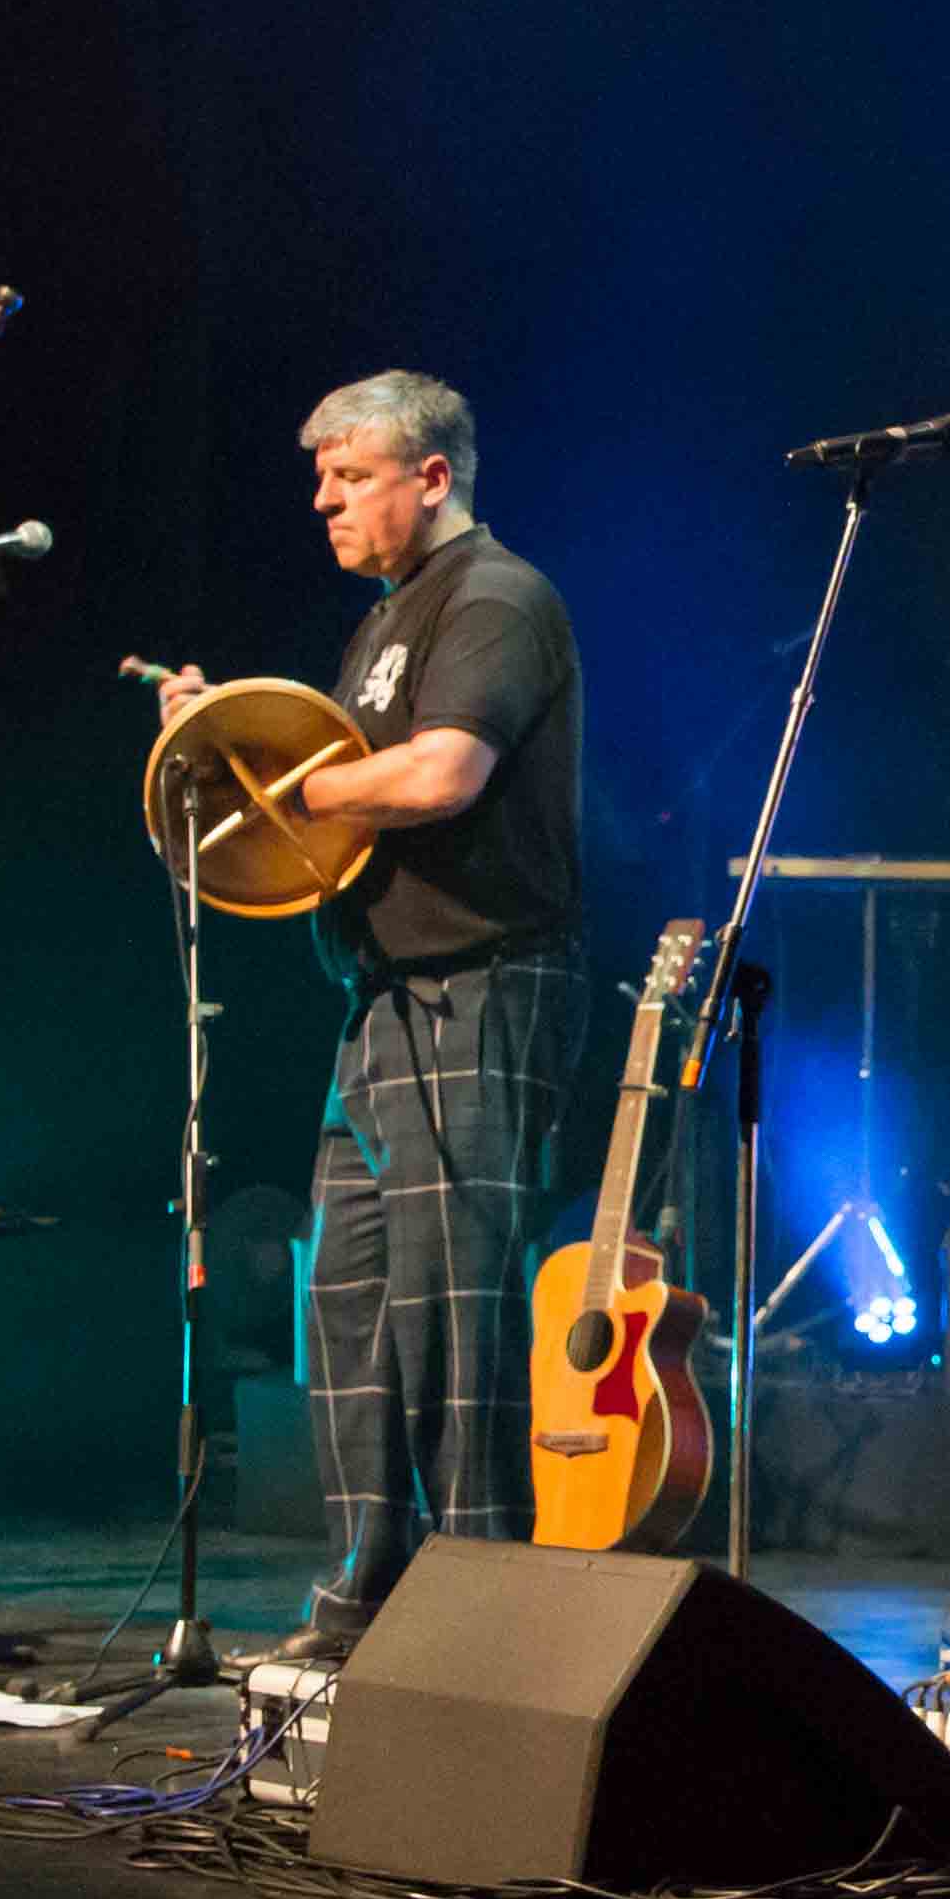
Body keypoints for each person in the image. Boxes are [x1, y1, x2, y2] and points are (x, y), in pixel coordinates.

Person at [158, 370, 585, 1663]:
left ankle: (480, 1621)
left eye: (349, 477)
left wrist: (279, 779)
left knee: (454, 1308)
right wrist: (223, 738)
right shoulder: (385, 620)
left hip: (480, 985)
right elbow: (340, 797)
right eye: (320, 479)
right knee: (345, 1304)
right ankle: (364, 1605)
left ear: (432, 475)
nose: (323, 502)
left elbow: (442, 772)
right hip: (383, 1000)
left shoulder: (494, 597)